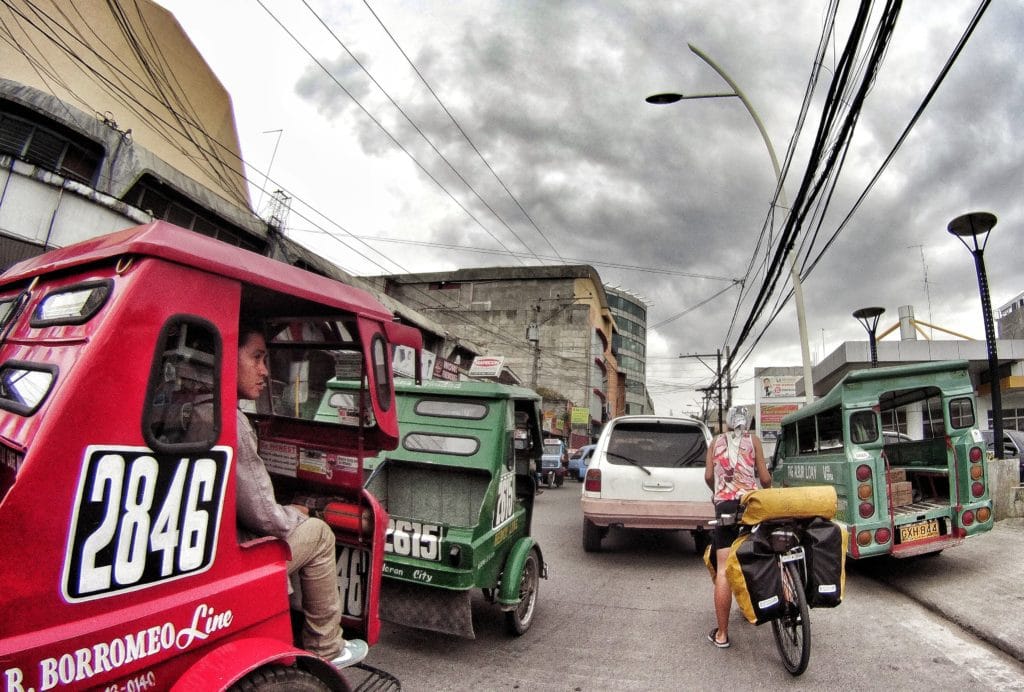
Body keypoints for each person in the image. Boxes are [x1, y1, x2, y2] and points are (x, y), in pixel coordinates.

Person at [235, 324, 368, 668]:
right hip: (235, 558)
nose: (265, 370)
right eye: (257, 357)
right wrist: (298, 513)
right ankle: (327, 647)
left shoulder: (192, 406)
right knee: (320, 533)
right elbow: (267, 518)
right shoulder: (232, 423)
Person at [703, 405, 771, 649]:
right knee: (761, 557)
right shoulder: (754, 441)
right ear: (748, 422)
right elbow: (764, 479)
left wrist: (718, 494)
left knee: (723, 569)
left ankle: (722, 634)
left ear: (729, 423)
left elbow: (709, 476)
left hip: (726, 510)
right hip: (751, 506)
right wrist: (768, 488)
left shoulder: (715, 442)